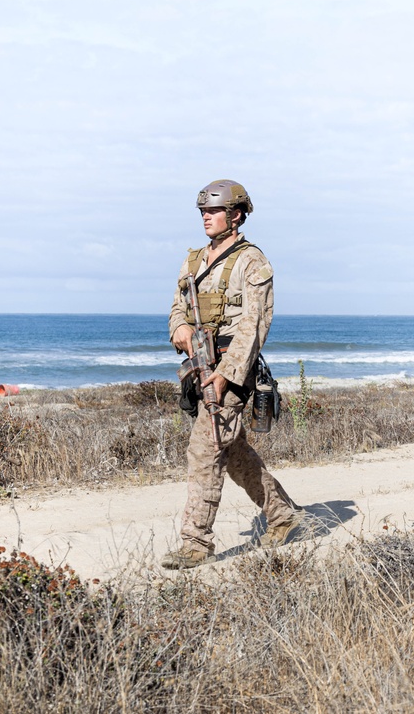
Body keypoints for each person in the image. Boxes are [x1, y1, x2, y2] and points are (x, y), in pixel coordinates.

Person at [161, 179, 303, 570]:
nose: (206, 217)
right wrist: (180, 331)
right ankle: (284, 515)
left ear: (236, 215)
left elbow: (254, 326)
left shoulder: (252, 262)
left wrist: (226, 375)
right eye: (203, 212)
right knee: (232, 449)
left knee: (204, 449)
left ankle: (195, 543)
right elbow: (177, 309)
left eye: (214, 211)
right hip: (199, 367)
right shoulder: (193, 261)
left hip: (231, 372)